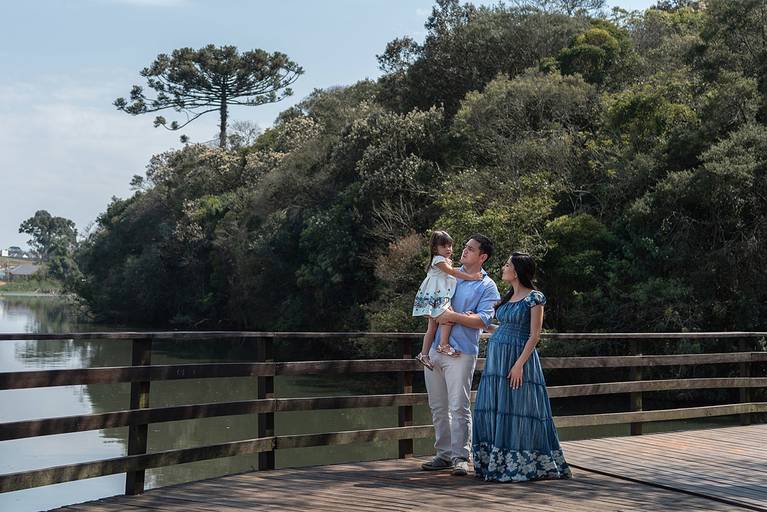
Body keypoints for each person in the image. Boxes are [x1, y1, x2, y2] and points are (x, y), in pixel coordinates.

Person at [472, 252, 571, 482]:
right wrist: (484, 326)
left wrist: (518, 365)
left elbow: (534, 336)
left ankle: (524, 464)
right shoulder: (508, 298)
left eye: (507, 265)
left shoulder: (534, 298)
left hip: (518, 359)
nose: (503, 267)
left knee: (519, 409)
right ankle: (495, 462)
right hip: (497, 361)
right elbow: (506, 329)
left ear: (516, 271)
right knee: (493, 407)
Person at [420, 234, 500, 477]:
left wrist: (453, 317)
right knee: (438, 406)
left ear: (482, 257)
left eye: (470, 249)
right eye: (464, 247)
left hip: (462, 352)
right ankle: (443, 454)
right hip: (435, 349)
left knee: (459, 407)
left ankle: (461, 458)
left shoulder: (487, 285)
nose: (464, 251)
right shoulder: (447, 272)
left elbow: (483, 320)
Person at [412, 230, 483, 370]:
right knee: (448, 318)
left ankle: (424, 354)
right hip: (437, 296)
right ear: (435, 248)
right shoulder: (438, 260)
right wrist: (472, 277)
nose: (448, 249)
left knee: (432, 327)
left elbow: (452, 271)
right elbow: (453, 272)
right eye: (444, 246)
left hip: (437, 296)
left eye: (450, 246)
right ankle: (443, 344)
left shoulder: (444, 261)